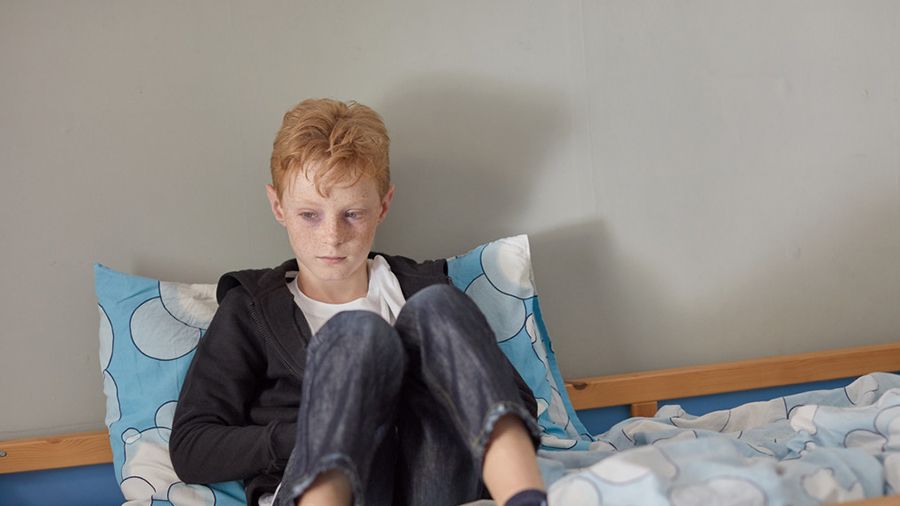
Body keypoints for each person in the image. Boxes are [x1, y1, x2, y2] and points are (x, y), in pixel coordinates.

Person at [170, 98, 547, 506]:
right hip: (330, 487)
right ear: (279, 207)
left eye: (352, 214)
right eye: (309, 215)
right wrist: (324, 429)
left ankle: (523, 496)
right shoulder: (252, 309)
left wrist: (424, 401)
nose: (332, 237)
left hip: (433, 486)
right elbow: (192, 446)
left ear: (382, 206)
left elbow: (516, 400)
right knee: (359, 334)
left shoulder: (423, 287)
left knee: (438, 306)